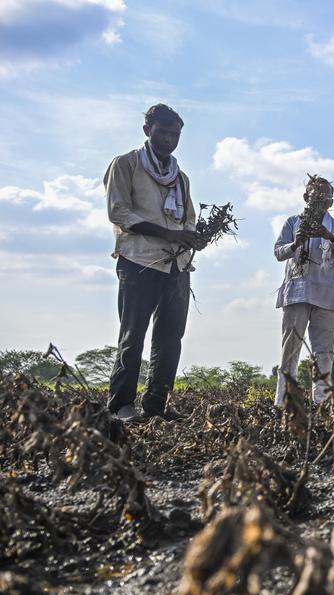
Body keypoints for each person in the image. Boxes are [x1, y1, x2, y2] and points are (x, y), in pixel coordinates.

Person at [104, 103, 204, 422]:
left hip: (176, 266)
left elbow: (188, 219)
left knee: (171, 336)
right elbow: (119, 213)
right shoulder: (126, 165)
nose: (169, 140)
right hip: (138, 260)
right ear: (148, 130)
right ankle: (120, 405)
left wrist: (193, 237)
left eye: (175, 135)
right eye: (163, 133)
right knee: (133, 334)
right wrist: (167, 234)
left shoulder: (181, 178)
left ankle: (156, 404)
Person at [273, 175, 334, 406]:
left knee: (324, 352)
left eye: (324, 195)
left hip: (326, 294)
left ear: (330, 202)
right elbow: (279, 252)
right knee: (290, 351)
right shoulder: (292, 223)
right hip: (297, 292)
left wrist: (328, 235)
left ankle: (322, 402)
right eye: (314, 194)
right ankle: (285, 402)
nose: (319, 199)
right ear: (306, 197)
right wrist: (296, 244)